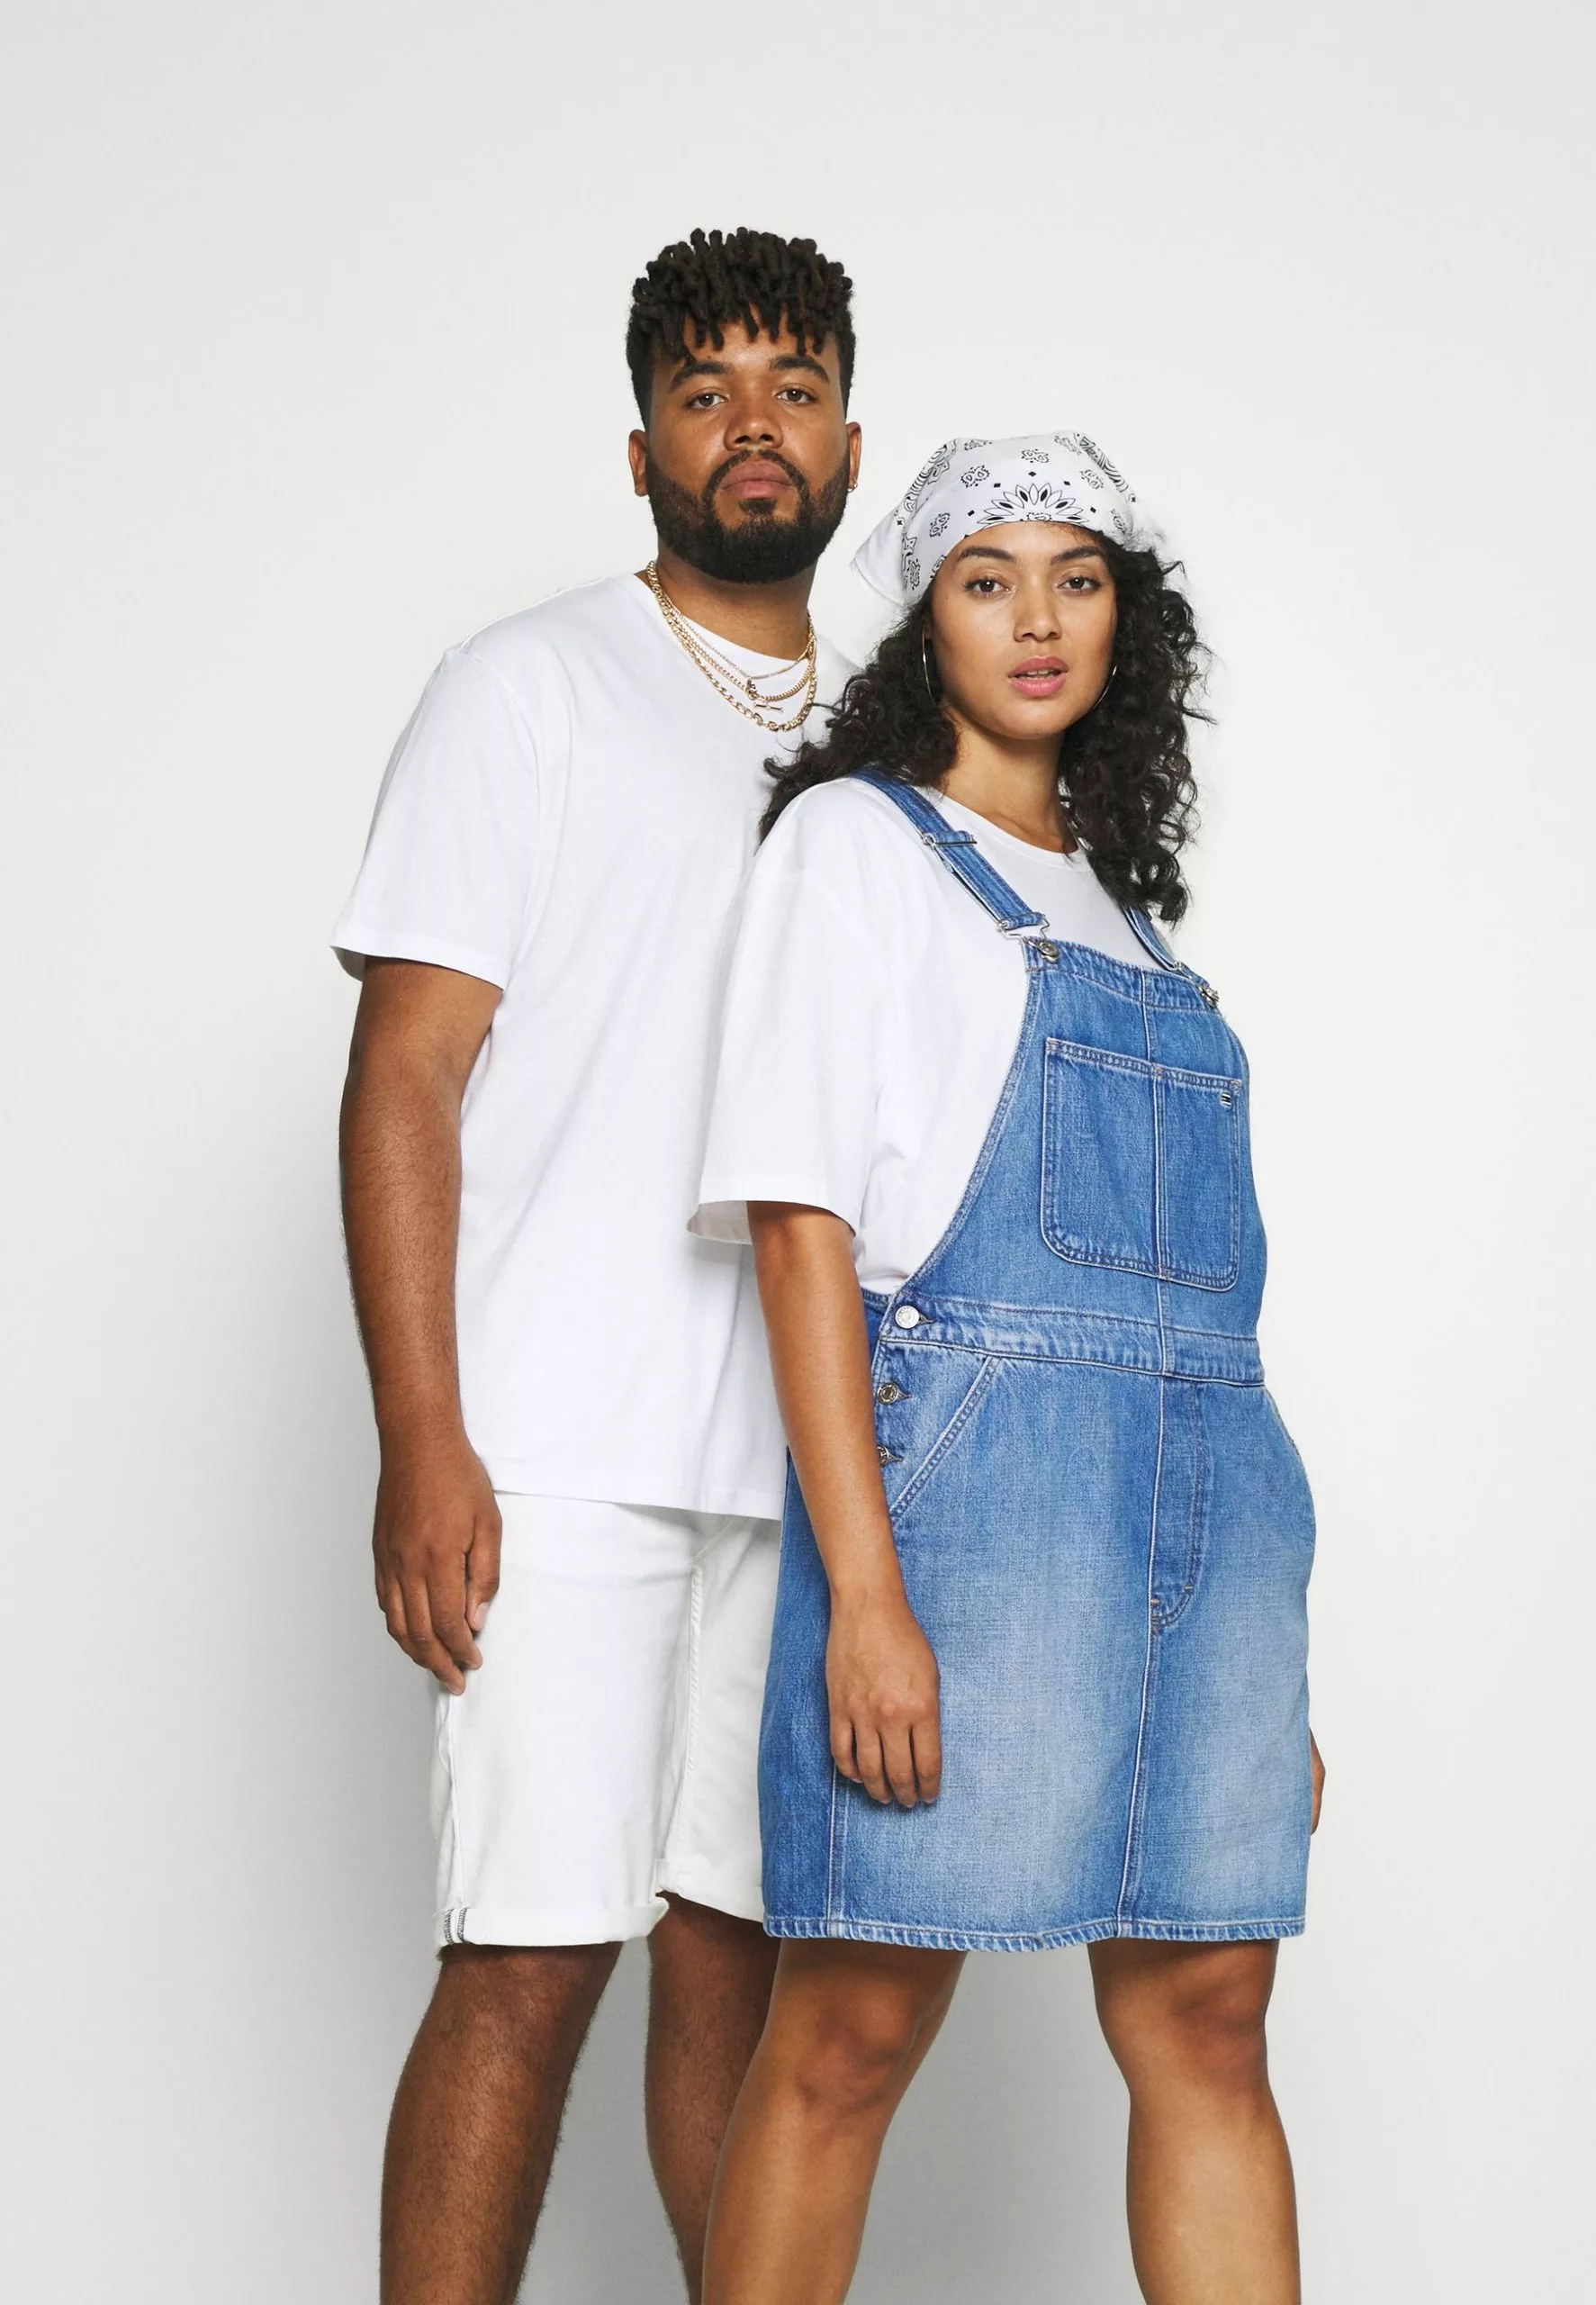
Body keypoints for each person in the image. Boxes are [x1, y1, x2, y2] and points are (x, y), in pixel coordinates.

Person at [691, 433, 1325, 2305]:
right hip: (975, 1524)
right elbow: (800, 1233)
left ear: (1128, 620)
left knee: (1209, 2013)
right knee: (851, 2028)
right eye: (989, 578)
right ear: (928, 622)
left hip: (1208, 1532)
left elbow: (1210, 1332)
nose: (1037, 618)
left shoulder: (1127, 915)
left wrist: (1248, 1654)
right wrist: (864, 1597)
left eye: (1077, 577)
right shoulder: (856, 848)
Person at [332, 227, 861, 2305]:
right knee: (530, 1956)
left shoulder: (894, 741)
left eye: (794, 387)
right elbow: (405, 1070)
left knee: (742, 1971)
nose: (754, 426)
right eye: (705, 391)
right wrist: (424, 1434)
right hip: (554, 1451)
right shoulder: (527, 684)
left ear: (848, 438)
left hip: (803, 1470)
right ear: (642, 446)